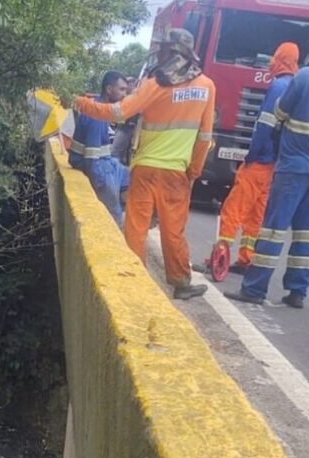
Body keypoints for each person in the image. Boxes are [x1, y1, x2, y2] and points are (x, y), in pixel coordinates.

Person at [73, 29, 216, 300]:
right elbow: (205, 137)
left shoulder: (155, 84)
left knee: (136, 226)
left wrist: (80, 102)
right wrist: (194, 171)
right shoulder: (207, 86)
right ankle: (181, 282)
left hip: (145, 169)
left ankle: (134, 281)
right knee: (173, 229)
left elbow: (117, 112)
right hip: (177, 172)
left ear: (168, 52)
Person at [225, 41, 309, 309]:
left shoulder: (305, 77)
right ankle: (298, 291)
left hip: (293, 166)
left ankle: (254, 288)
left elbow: (280, 112)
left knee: (273, 229)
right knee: (308, 232)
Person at [214, 43, 299, 274]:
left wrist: (251, 155)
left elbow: (264, 125)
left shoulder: (278, 86)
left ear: (280, 59)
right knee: (256, 213)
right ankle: (247, 258)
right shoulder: (294, 86)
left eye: (274, 57)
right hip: (275, 163)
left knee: (234, 207)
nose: (271, 61)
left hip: (261, 160)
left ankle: (219, 257)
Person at [68, 71, 130, 227]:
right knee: (114, 214)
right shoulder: (96, 115)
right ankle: (115, 221)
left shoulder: (100, 108)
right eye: (121, 89)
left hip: (105, 162)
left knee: (134, 177)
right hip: (97, 167)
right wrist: (102, 186)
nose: (124, 95)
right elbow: (92, 160)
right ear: (109, 89)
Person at [110, 77, 139, 165]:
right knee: (119, 154)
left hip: (127, 127)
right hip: (121, 127)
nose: (127, 86)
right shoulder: (125, 98)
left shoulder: (135, 97)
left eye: (129, 83)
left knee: (116, 152)